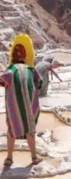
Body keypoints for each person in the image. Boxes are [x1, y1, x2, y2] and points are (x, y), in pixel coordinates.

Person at [0, 34, 43, 167]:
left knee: (12, 130)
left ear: (13, 55)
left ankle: (9, 158)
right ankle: (34, 157)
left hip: (14, 108)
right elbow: (40, 83)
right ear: (26, 56)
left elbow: (2, 80)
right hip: (29, 106)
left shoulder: (11, 70)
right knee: (30, 130)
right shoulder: (32, 70)